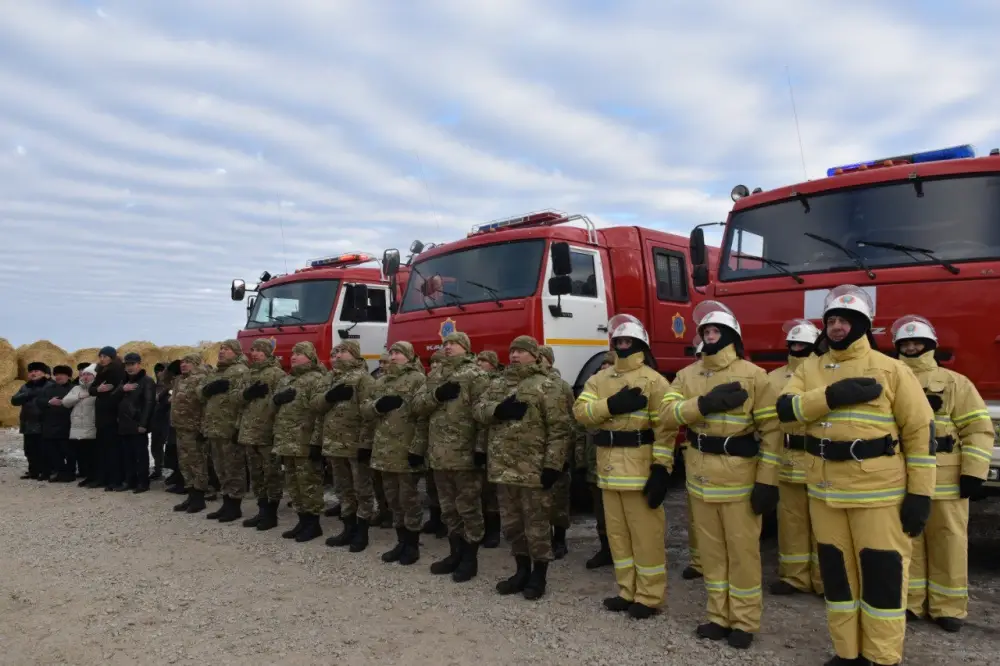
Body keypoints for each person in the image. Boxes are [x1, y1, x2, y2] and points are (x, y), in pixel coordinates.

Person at [776, 286, 936, 666]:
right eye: (830, 320)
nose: (835, 327)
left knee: (882, 579)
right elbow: (785, 409)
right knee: (838, 579)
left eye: (844, 320)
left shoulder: (891, 369)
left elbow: (920, 431)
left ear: (862, 325)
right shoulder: (809, 369)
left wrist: (920, 495)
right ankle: (846, 653)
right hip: (826, 493)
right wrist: (831, 396)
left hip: (878, 496)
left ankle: (882, 658)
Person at [661, 302, 780, 649]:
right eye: (706, 332)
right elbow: (666, 416)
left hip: (740, 480)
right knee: (711, 554)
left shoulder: (755, 376)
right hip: (700, 480)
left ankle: (743, 621)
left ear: (730, 336)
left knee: (742, 554)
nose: (710, 337)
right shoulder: (687, 376)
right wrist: (703, 405)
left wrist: (767, 481)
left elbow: (772, 431)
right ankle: (717, 616)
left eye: (716, 332)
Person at [892, 315, 992, 633]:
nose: (911, 348)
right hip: (902, 476)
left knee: (949, 541)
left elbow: (978, 428)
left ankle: (948, 607)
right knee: (909, 540)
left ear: (930, 345)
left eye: (916, 342)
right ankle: (911, 601)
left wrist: (974, 472)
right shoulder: (889, 381)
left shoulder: (955, 383)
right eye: (905, 343)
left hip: (946, 478)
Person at [573, 314, 673, 620]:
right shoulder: (598, 379)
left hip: (639, 470)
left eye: (627, 341)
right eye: (618, 341)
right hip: (607, 470)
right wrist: (611, 406)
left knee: (646, 538)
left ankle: (650, 596)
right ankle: (626, 591)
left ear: (640, 343)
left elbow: (665, 428)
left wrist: (661, 468)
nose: (622, 345)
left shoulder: (654, 380)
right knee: (617, 537)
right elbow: (580, 411)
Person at [474, 336, 572, 600]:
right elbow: (478, 410)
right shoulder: (499, 383)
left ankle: (539, 575)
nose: (515, 355)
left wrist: (553, 465)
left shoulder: (547, 385)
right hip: (503, 469)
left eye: (521, 351)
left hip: (533, 469)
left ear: (534, 355)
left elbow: (560, 429)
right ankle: (521, 571)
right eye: (512, 350)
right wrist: (499, 410)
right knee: (513, 525)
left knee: (536, 525)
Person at [412, 332, 491, 583]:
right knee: (448, 508)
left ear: (465, 348)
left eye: (453, 344)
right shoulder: (435, 375)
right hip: (438, 453)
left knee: (468, 507)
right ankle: (455, 553)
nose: (447, 347)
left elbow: (484, 416)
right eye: (445, 344)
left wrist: (481, 449)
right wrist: (437, 395)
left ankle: (470, 558)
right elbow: (417, 406)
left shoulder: (476, 375)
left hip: (464, 453)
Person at [769, 319, 825, 597]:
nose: (798, 348)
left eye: (804, 344)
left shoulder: (826, 372)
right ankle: (794, 577)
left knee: (824, 525)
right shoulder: (774, 378)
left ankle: (824, 580)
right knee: (791, 523)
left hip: (819, 459)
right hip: (787, 460)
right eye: (794, 344)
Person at [363, 341, 428, 565]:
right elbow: (365, 409)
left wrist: (417, 448)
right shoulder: (381, 381)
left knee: (408, 499)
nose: (393, 356)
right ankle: (401, 541)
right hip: (384, 450)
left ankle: (412, 544)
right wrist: (378, 406)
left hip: (405, 449)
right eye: (391, 352)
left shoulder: (418, 379)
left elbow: (422, 417)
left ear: (409, 357)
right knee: (393, 500)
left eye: (398, 353)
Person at [314, 341, 377, 552]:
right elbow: (315, 405)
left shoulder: (363, 379)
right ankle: (348, 528)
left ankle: (362, 531)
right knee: (343, 489)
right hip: (334, 444)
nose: (337, 356)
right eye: (335, 352)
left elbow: (370, 415)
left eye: (343, 351)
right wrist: (329, 396)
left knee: (362, 490)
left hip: (355, 444)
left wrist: (366, 443)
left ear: (355, 355)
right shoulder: (330, 378)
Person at [272, 341, 328, 543]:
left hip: (304, 441)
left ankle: (313, 524)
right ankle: (302, 520)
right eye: (293, 352)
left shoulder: (317, 379)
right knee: (293, 483)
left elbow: (320, 414)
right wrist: (276, 400)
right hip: (287, 440)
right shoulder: (287, 380)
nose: (293, 356)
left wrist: (316, 442)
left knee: (309, 483)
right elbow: (275, 409)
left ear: (310, 357)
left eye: (299, 353)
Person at [237, 339, 287, 531]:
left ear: (267, 353)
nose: (255, 353)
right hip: (249, 432)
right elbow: (235, 399)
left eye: (259, 350)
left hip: (267, 432)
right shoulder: (249, 373)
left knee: (271, 473)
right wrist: (247, 394)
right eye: (253, 350)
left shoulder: (277, 374)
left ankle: (271, 514)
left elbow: (282, 404)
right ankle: (262, 510)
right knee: (256, 474)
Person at [199, 340, 251, 522]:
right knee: (220, 467)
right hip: (214, 428)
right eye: (221, 349)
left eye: (226, 349)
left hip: (229, 427)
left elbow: (243, 402)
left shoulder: (241, 371)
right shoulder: (215, 372)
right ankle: (226, 501)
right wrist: (208, 389)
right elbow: (200, 394)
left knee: (233, 468)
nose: (222, 352)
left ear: (236, 352)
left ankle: (234, 505)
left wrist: (238, 427)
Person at [537, 344, 579, 560]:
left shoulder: (562, 386)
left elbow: (571, 420)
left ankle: (560, 538)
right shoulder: (529, 384)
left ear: (549, 361)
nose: (537, 360)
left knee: (559, 498)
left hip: (556, 450)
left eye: (541, 357)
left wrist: (564, 453)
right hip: (534, 452)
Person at [675, 335, 705, 581]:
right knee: (695, 514)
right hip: (694, 453)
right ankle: (698, 561)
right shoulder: (686, 377)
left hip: (732, 462)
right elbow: (672, 413)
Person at [582, 351, 615, 569]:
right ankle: (605, 550)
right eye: (602, 366)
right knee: (600, 513)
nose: (604, 369)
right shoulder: (590, 395)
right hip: (595, 466)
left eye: (609, 366)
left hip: (619, 468)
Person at [171, 354, 210, 513]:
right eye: (182, 362)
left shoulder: (201, 378)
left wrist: (203, 427)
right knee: (185, 463)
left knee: (197, 463)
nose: (183, 365)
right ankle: (191, 494)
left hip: (194, 428)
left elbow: (206, 405)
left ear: (195, 364)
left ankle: (199, 498)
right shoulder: (180, 380)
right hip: (180, 427)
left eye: (187, 362)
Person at [115, 352, 157, 493]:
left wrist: (143, 424)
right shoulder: (124, 381)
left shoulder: (147, 381)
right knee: (127, 455)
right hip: (124, 424)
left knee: (140, 455)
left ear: (139, 364)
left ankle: (143, 482)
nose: (129, 367)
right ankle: (130, 481)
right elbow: (112, 397)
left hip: (137, 424)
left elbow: (149, 403)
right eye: (127, 364)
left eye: (132, 364)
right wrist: (122, 389)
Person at [475, 349, 503, 549]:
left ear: (492, 364)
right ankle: (483, 527)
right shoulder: (479, 382)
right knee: (481, 490)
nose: (479, 364)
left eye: (483, 361)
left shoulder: (497, 384)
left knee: (492, 491)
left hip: (493, 443)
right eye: (478, 360)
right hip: (478, 442)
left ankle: (494, 531)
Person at [421, 349, 448, 539]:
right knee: (432, 485)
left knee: (448, 489)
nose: (435, 366)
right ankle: (435, 518)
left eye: (439, 363)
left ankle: (446, 523)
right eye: (433, 363)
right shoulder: (429, 382)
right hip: (431, 442)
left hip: (449, 445)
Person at [90, 347, 126, 490]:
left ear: (112, 357)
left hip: (112, 413)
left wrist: (105, 394)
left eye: (105, 356)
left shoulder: (118, 371)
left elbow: (118, 393)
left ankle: (115, 479)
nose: (102, 359)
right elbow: (91, 389)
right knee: (102, 448)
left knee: (113, 449)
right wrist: (98, 390)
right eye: (101, 356)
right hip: (101, 414)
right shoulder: (99, 371)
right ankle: (103, 478)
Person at [11, 363, 52, 480]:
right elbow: (14, 400)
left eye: (36, 371)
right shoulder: (25, 387)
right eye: (31, 371)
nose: (33, 373)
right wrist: (28, 394)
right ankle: (33, 471)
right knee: (29, 449)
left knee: (43, 449)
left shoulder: (49, 385)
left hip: (43, 422)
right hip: (28, 422)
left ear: (44, 373)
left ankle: (45, 472)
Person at [37, 365, 75, 482]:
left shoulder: (74, 388)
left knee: (68, 451)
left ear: (68, 376)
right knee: (52, 451)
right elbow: (39, 401)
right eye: (57, 374)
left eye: (62, 374)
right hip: (50, 425)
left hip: (67, 425)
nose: (59, 377)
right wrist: (49, 402)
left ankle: (70, 473)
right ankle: (60, 472)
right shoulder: (48, 388)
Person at [63, 364, 98, 486]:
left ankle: (92, 476)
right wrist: (79, 396)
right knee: (78, 453)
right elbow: (65, 402)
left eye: (89, 374)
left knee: (91, 455)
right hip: (77, 427)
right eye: (84, 374)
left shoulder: (98, 389)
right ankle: (84, 476)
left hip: (91, 426)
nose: (85, 377)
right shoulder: (76, 389)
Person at [149, 362, 169, 481]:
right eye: (157, 371)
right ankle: (158, 469)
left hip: (169, 421)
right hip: (156, 421)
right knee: (155, 447)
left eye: (162, 370)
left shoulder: (172, 386)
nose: (159, 373)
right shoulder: (153, 386)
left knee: (172, 448)